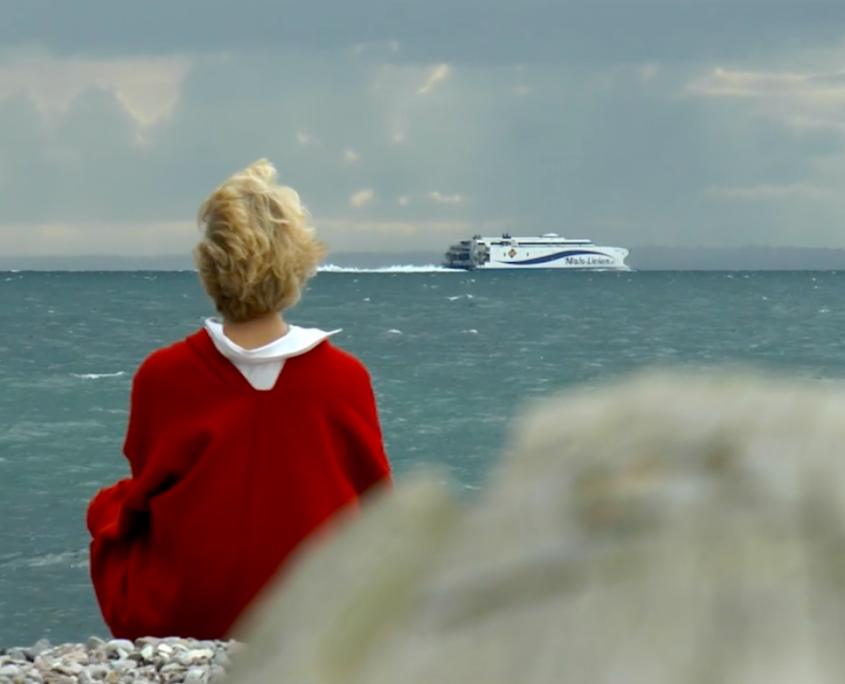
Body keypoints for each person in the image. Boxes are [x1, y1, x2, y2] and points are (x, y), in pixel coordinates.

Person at [86, 159, 392, 640]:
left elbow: (146, 489)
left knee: (113, 506)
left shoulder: (163, 375)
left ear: (210, 267)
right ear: (298, 265)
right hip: (319, 614)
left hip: (189, 613)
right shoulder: (344, 377)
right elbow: (377, 502)